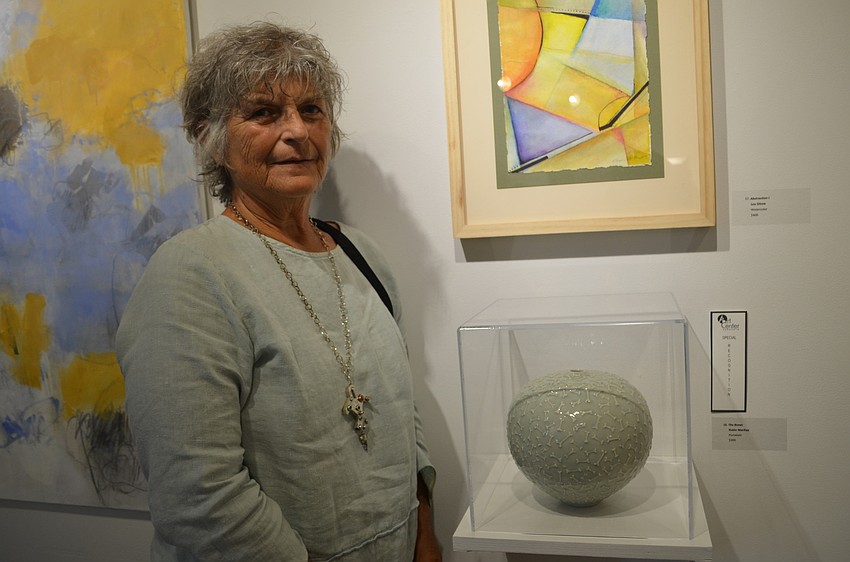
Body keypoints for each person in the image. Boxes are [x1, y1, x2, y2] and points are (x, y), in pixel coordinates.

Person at [116, 22, 440, 561]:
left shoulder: (361, 254)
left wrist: (424, 530)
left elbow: (403, 414)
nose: (297, 132)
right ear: (209, 137)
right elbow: (199, 497)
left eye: (312, 109)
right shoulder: (189, 276)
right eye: (264, 113)